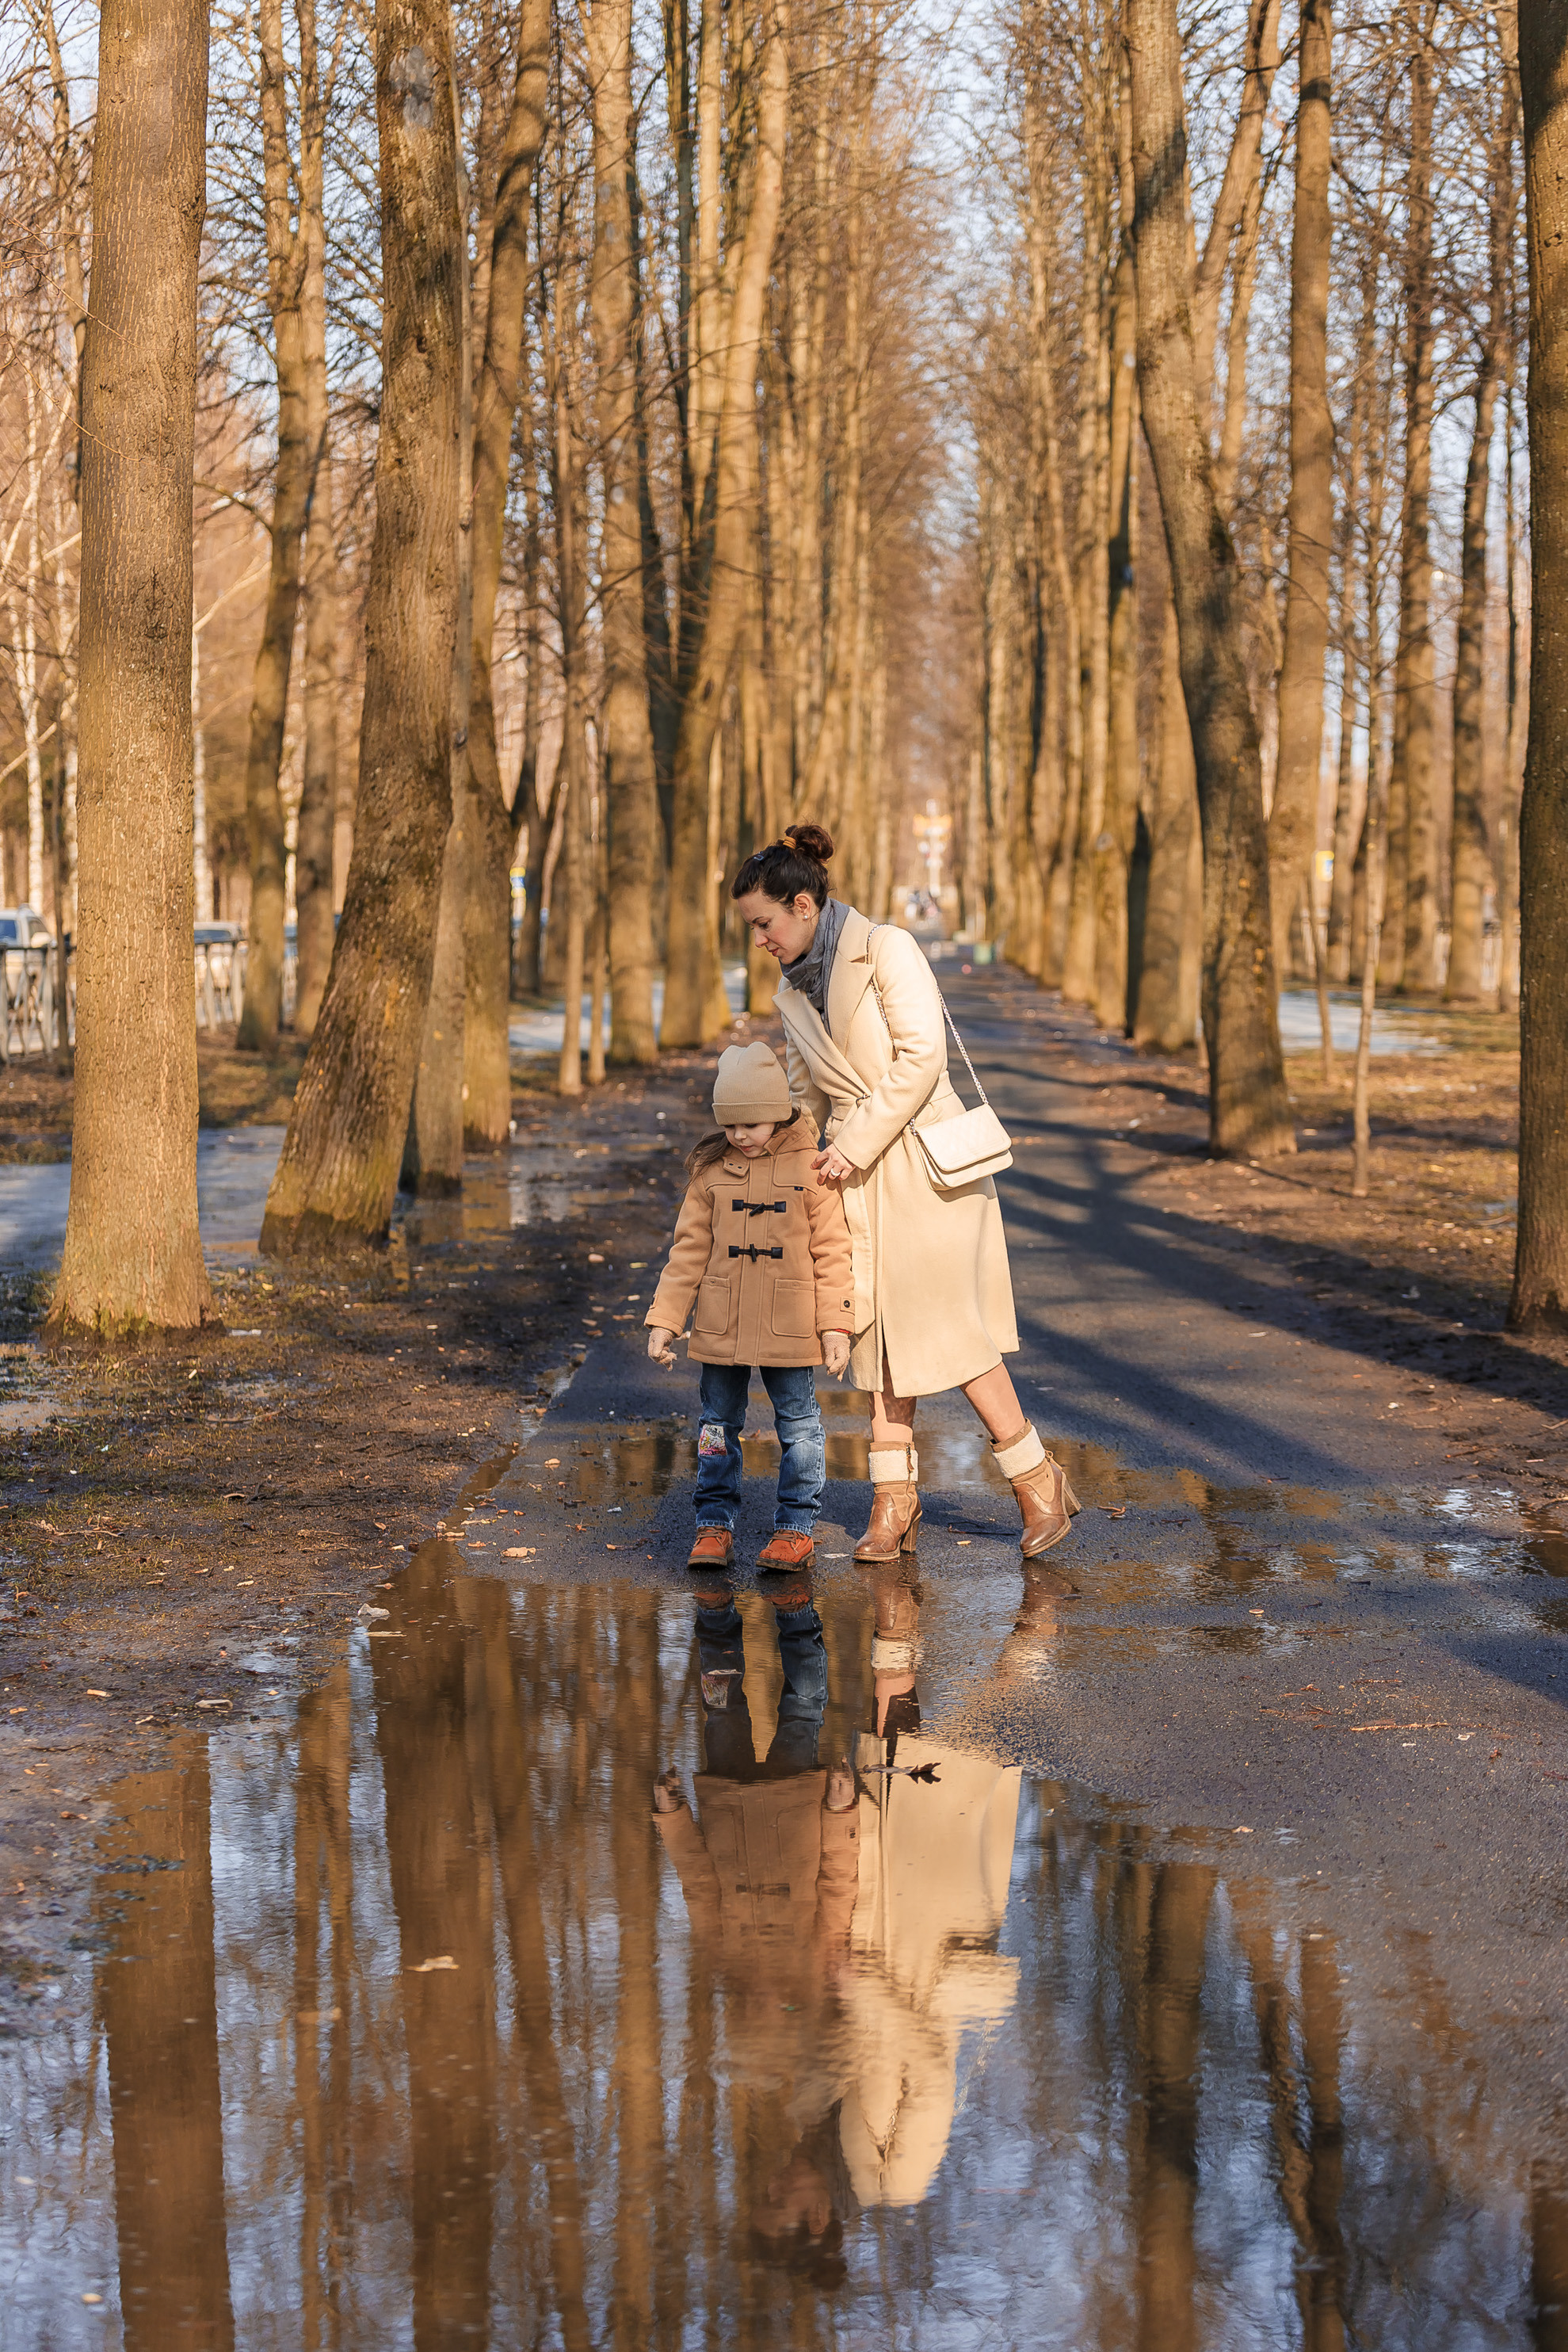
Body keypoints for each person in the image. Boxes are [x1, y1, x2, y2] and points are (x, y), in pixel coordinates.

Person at [731, 823, 1079, 1581]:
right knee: (877, 1339)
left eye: (764, 922)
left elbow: (923, 1059)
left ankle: (1035, 1478)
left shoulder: (887, 947)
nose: (759, 939)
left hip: (921, 1166)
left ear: (802, 904)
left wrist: (853, 1144)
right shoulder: (792, 990)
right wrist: (779, 1161)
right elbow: (802, 1093)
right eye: (752, 927)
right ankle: (894, 1502)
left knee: (952, 1332)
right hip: (855, 1181)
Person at [645, 1039, 854, 1571]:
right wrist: (666, 1321)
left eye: (752, 1124)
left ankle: (795, 1527)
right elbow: (688, 1250)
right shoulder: (710, 1171)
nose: (740, 1136)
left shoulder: (812, 1166)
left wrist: (835, 1325)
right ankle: (712, 1524)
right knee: (716, 1424)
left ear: (778, 1114)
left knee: (799, 1425)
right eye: (731, 1125)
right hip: (722, 1323)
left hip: (790, 1322)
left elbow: (832, 1249)